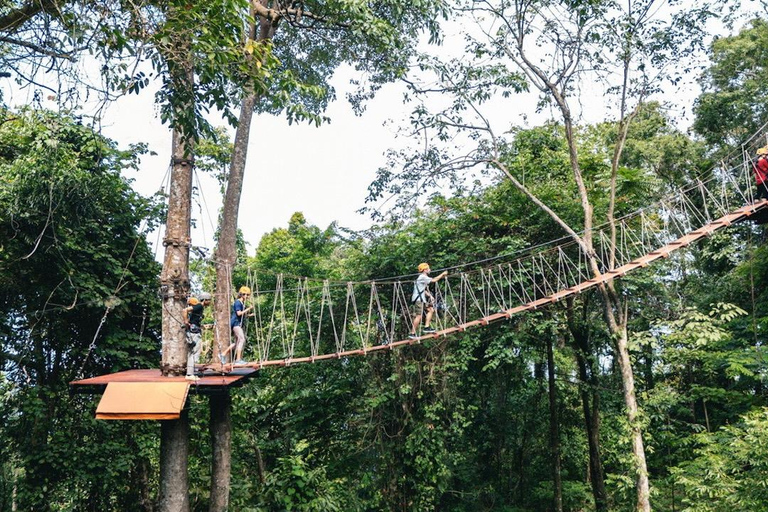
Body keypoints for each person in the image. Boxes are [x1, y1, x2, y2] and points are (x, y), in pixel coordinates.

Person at [409, 263, 448, 339]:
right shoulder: (422, 277)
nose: (430, 270)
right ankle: (412, 333)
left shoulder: (423, 277)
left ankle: (426, 327)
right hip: (418, 300)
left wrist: (430, 296)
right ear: (425, 270)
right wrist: (443, 274)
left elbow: (422, 290)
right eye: (428, 268)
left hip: (421, 299)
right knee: (419, 316)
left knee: (431, 309)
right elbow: (434, 280)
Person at [220, 286, 253, 365]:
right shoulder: (238, 302)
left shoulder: (242, 303)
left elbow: (240, 315)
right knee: (242, 339)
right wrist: (249, 308)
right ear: (242, 294)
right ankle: (238, 360)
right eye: (246, 295)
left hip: (237, 323)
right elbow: (238, 313)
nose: (247, 297)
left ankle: (223, 354)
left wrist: (249, 315)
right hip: (235, 324)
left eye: (248, 295)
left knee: (237, 342)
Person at [184, 292, 211, 381]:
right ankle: (189, 374)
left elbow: (193, 319)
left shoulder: (200, 308)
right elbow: (185, 310)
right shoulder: (199, 306)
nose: (210, 302)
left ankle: (191, 373)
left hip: (195, 330)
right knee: (193, 352)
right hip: (194, 332)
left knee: (194, 352)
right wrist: (185, 322)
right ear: (205, 300)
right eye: (209, 300)